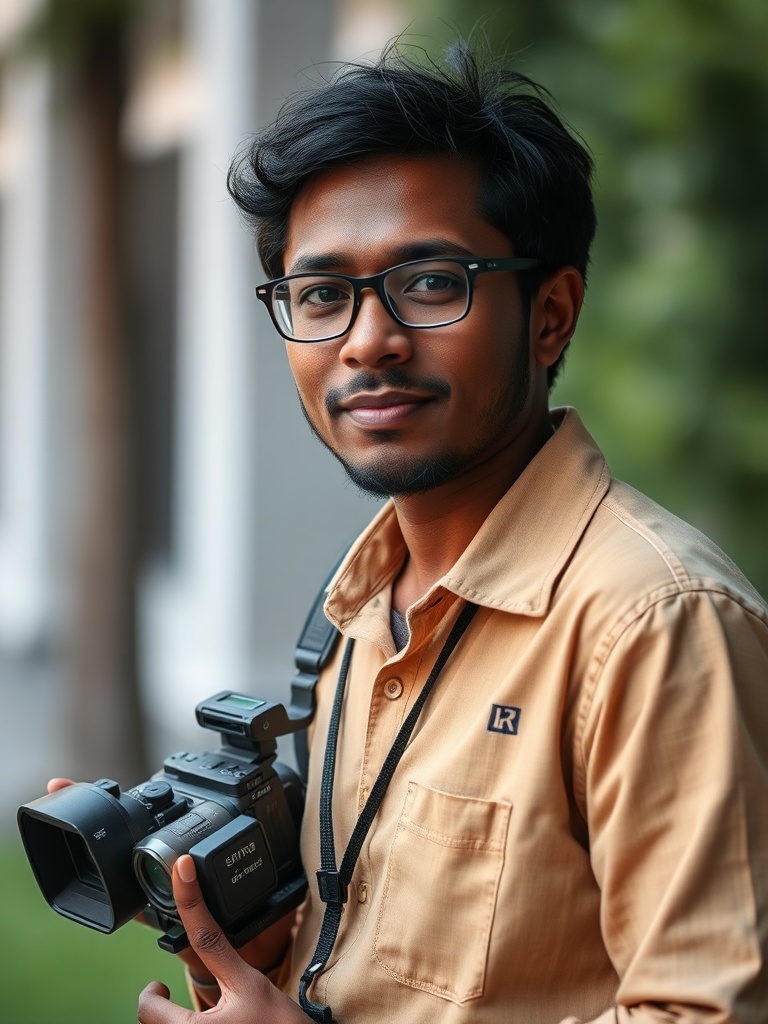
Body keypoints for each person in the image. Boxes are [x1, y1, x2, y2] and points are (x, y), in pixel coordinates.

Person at [134, 40, 768, 1024]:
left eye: (430, 281)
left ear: (549, 315)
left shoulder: (653, 624)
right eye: (321, 293)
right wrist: (257, 947)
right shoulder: (354, 608)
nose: (366, 339)